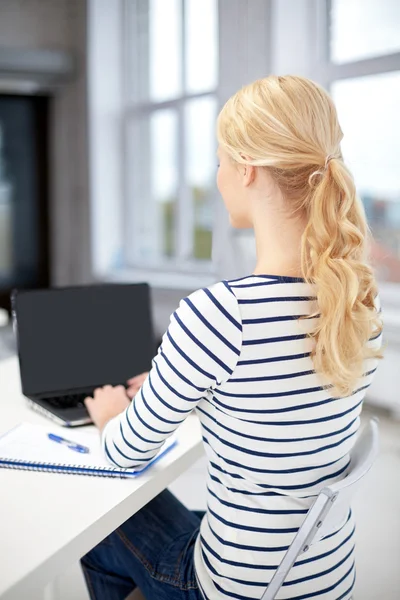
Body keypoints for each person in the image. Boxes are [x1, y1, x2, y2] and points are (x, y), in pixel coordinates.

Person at [80, 75, 384, 600]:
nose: (217, 175)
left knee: (102, 519)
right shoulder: (357, 301)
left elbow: (126, 454)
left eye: (220, 161)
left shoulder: (221, 314)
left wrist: (110, 417)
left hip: (234, 587)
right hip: (322, 577)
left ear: (245, 170)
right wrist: (176, 379)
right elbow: (277, 406)